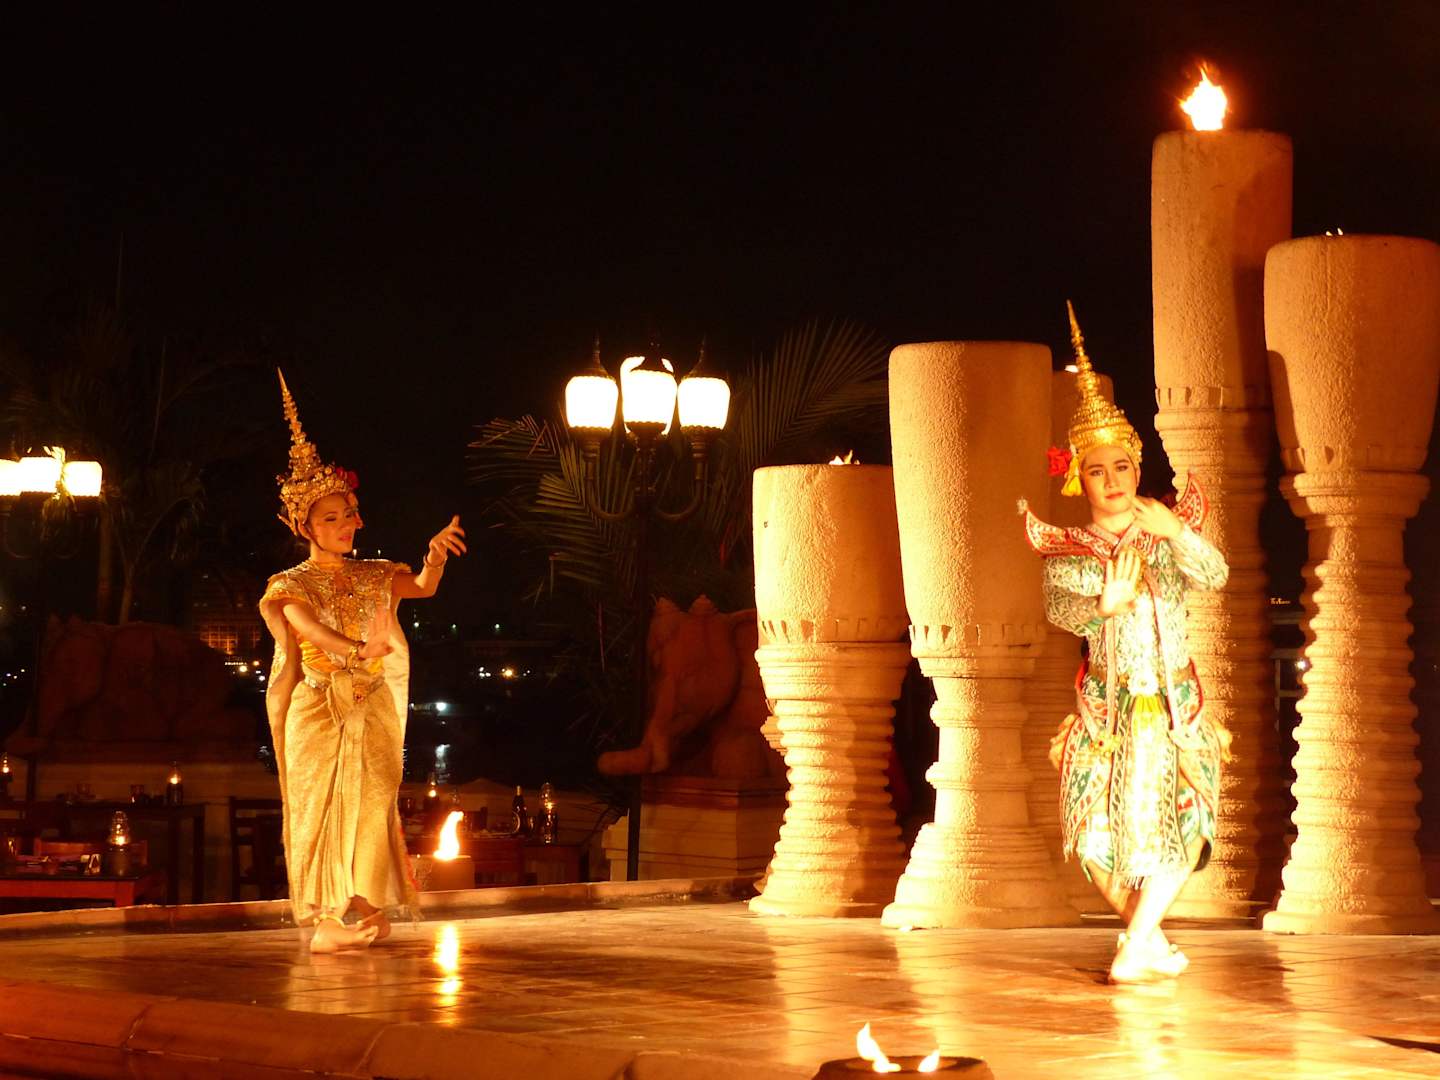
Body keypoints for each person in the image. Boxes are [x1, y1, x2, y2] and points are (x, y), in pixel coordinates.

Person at [1022, 304, 1229, 983]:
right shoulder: (1071, 550)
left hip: (1175, 711)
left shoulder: (1165, 534)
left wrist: (1178, 533)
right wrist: (1101, 608)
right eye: (1096, 471)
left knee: (1190, 822)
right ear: (1077, 478)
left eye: (1121, 466)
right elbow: (1059, 610)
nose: (1111, 481)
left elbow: (1215, 575)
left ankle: (1137, 946)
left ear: (1137, 469)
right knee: (1090, 836)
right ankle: (1145, 943)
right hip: (1106, 714)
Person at [258, 372, 466, 952]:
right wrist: (355, 651)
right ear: (303, 526)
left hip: (370, 707)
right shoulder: (289, 583)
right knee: (320, 808)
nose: (346, 525)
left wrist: (434, 556)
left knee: (374, 806)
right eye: (331, 518)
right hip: (319, 708)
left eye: (348, 514)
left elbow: (420, 587)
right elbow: (307, 628)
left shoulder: (375, 573)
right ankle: (324, 919)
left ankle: (364, 901)